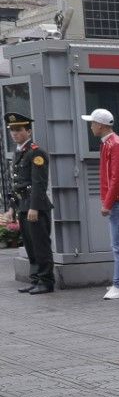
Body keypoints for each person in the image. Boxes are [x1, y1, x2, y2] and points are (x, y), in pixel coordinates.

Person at [82, 109, 119, 300]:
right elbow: (114, 177)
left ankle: (118, 285)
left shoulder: (114, 145)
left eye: (92, 123)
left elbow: (115, 178)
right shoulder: (113, 143)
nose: (91, 126)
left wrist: (107, 203)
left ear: (100, 125)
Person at [6, 112, 53, 295]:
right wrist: (12, 207)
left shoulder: (36, 152)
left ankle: (46, 281)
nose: (14, 134)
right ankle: (35, 279)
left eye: (18, 130)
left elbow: (39, 183)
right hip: (23, 205)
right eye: (12, 130)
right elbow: (17, 183)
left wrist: (34, 206)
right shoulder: (20, 152)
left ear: (28, 131)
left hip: (36, 207)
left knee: (41, 245)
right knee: (30, 246)